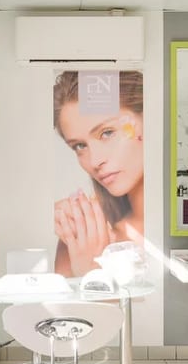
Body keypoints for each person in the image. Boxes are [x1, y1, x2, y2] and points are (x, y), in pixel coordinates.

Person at [52, 71, 144, 277]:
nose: (94, 161)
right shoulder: (83, 236)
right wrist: (88, 271)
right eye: (80, 146)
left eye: (107, 133)